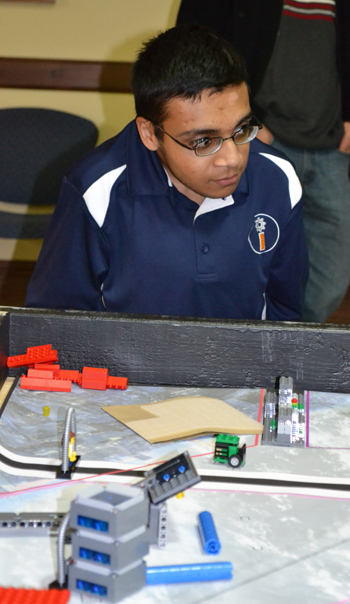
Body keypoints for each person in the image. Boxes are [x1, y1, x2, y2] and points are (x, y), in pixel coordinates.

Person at [25, 24, 307, 321]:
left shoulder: (278, 178)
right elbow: (55, 317)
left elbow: (285, 309)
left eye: (241, 130)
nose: (232, 158)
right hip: (126, 365)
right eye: (202, 141)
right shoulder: (95, 190)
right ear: (149, 133)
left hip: (243, 364)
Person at [177, 0, 350, 323]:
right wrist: (246, 122)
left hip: (330, 147)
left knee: (333, 270)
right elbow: (193, 46)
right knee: (234, 261)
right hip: (252, 141)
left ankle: (290, 347)